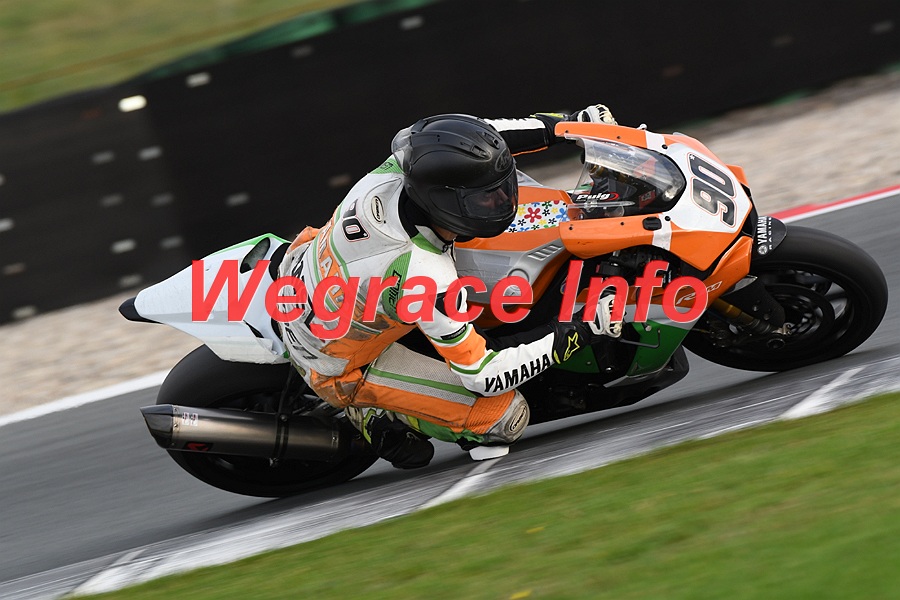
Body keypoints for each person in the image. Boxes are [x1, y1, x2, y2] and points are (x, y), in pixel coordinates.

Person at [278, 105, 623, 469]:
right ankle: (371, 409)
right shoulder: (424, 277)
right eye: (485, 197)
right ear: (443, 201)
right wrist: (578, 330)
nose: (503, 199)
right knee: (505, 417)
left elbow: (482, 139)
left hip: (303, 271)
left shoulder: (405, 162)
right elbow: (485, 375)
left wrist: (565, 127)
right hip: (336, 359)